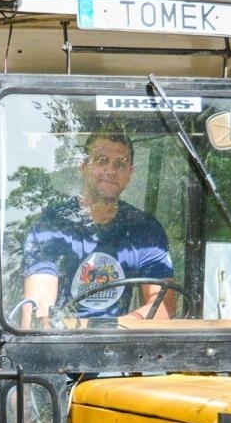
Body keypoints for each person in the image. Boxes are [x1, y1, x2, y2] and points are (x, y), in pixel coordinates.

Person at [21, 128, 175, 324]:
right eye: (101, 161)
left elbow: (163, 307)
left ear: (130, 172)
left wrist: (110, 332)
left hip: (123, 344)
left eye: (120, 164)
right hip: (62, 343)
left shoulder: (145, 230)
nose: (110, 171)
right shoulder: (52, 227)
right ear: (83, 165)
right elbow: (37, 313)